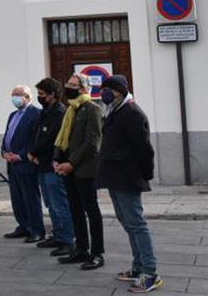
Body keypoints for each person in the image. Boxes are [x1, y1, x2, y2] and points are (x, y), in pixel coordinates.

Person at [95, 75, 163, 293]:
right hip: (115, 176)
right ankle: (138, 267)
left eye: (107, 90)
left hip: (128, 176)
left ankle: (150, 273)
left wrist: (145, 175)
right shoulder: (115, 111)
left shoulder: (132, 113)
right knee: (127, 222)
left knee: (136, 224)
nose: (103, 94)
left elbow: (145, 149)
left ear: (118, 92)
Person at [53, 72, 105, 270]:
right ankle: (81, 249)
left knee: (91, 211)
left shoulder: (92, 109)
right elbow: (63, 137)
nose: (68, 86)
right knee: (75, 210)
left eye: (73, 84)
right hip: (68, 169)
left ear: (83, 89)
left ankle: (97, 253)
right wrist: (58, 159)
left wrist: (71, 163)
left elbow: (92, 143)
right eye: (67, 82)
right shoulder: (71, 109)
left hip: (84, 169)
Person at [29, 78, 76, 256]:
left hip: (52, 165)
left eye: (42, 94)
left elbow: (50, 139)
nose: (39, 97)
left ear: (52, 95)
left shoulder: (59, 113)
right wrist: (31, 152)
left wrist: (33, 151)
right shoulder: (45, 112)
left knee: (60, 204)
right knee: (50, 204)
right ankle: (58, 234)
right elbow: (37, 134)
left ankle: (67, 239)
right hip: (41, 164)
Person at [2, 85, 44, 241]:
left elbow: (34, 139)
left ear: (27, 97)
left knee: (30, 198)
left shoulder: (36, 114)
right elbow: (8, 135)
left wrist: (20, 156)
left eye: (17, 95)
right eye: (12, 95)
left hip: (25, 163)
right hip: (11, 164)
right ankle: (23, 226)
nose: (14, 98)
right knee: (17, 198)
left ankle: (37, 229)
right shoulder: (13, 115)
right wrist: (4, 152)